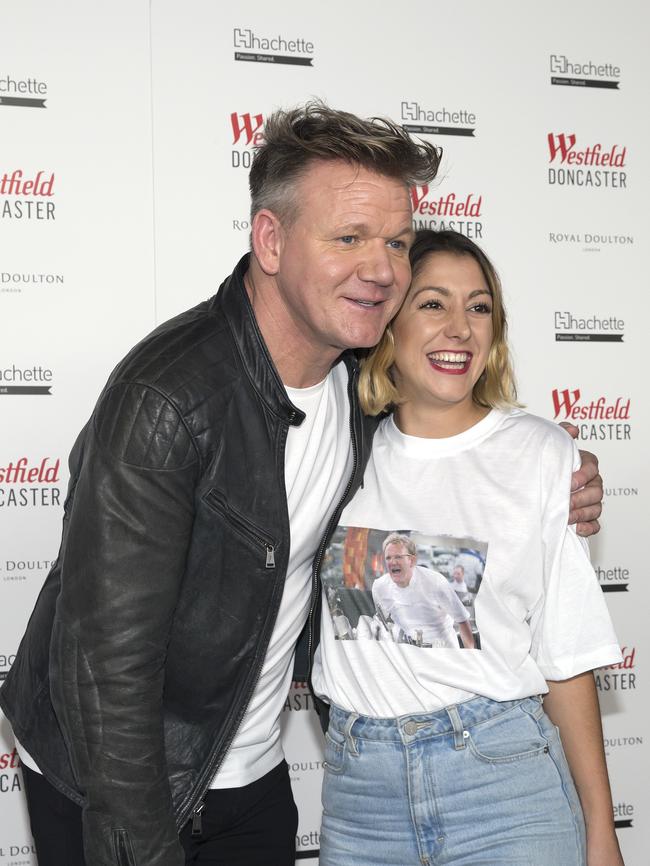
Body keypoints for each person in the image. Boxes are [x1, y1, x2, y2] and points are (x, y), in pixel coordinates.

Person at [0, 104, 602, 866]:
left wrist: (564, 473)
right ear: (271, 241)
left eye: (395, 242)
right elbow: (106, 667)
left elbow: (455, 456)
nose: (381, 269)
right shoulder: (169, 399)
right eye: (348, 238)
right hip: (115, 776)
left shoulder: (358, 385)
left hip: (251, 767)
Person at [311, 230, 623, 866]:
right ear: (387, 322)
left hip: (503, 786)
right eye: (432, 304)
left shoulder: (543, 454)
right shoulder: (332, 446)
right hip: (360, 800)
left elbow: (565, 658)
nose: (459, 328)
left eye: (478, 308)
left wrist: (601, 831)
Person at [372, 533, 474, 648]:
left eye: (398, 557)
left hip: (444, 648)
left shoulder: (435, 582)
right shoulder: (379, 587)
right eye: (388, 558)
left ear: (412, 560)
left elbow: (462, 620)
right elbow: (385, 622)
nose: (392, 562)